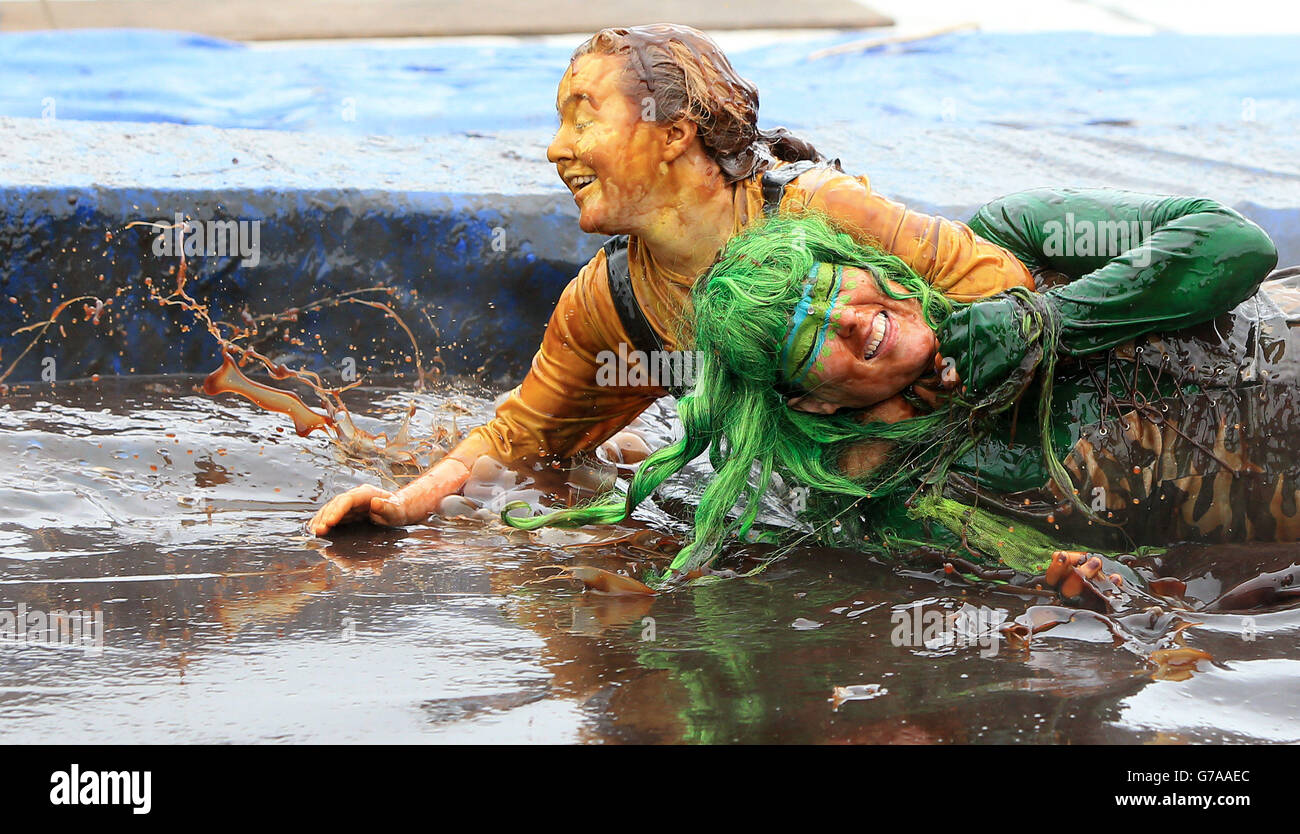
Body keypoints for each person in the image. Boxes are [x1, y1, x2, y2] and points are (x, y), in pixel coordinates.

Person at [308, 24, 1036, 536]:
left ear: (674, 132)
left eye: (581, 119)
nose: (557, 149)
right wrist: (405, 505)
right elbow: (526, 434)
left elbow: (1004, 286)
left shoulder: (820, 210)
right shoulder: (611, 301)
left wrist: (933, 376)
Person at [502, 188, 1288, 580]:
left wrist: (1044, 320)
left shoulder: (1006, 244)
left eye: (830, 287)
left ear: (870, 268)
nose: (846, 318)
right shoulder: (885, 495)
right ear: (808, 402)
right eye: (805, 339)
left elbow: (1231, 243)